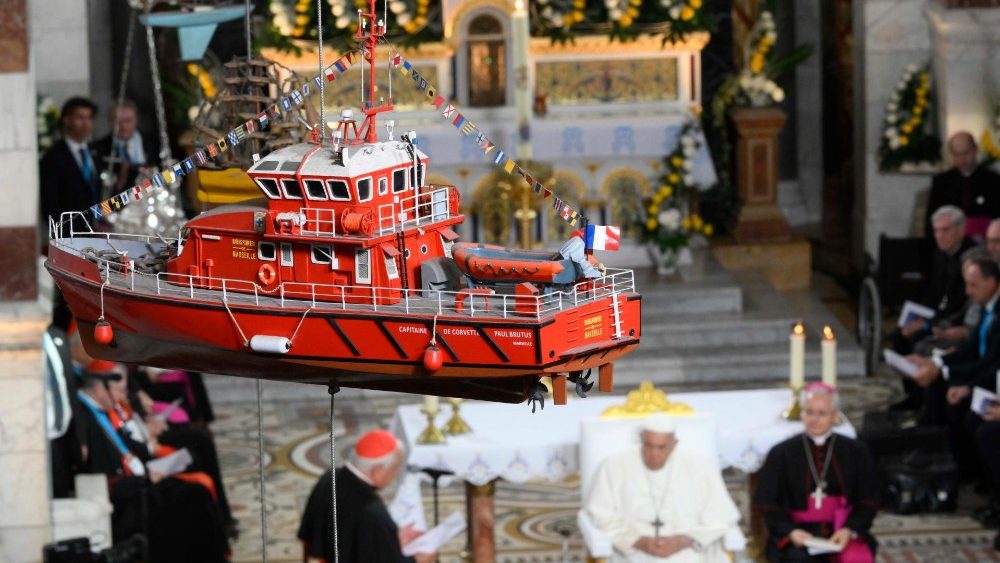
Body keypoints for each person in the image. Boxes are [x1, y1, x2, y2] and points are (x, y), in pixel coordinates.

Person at [74, 360, 229, 562]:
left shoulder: (99, 409)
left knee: (194, 480)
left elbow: (128, 443)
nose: (122, 398)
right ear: (102, 387)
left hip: (139, 480)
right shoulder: (85, 418)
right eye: (120, 391)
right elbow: (105, 479)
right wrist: (147, 479)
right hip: (130, 499)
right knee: (195, 495)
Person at [585, 415, 740, 562]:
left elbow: (722, 515)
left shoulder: (700, 467)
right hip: (633, 555)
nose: (653, 454)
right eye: (648, 445)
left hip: (690, 554)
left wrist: (685, 540)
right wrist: (639, 541)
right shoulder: (614, 466)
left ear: (674, 444)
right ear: (641, 440)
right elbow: (601, 512)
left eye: (661, 447)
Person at [753, 384, 879, 562]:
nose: (814, 419)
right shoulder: (781, 453)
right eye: (809, 412)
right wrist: (790, 531)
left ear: (834, 416)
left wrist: (849, 529)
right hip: (798, 530)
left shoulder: (855, 451)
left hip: (843, 528)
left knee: (855, 558)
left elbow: (868, 500)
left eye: (822, 413)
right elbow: (768, 503)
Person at [298, 429, 436, 563]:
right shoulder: (372, 512)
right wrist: (418, 561)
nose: (396, 474)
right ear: (377, 470)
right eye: (396, 467)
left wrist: (392, 538)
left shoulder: (330, 477)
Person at [910, 256, 1000, 427]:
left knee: (958, 401)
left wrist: (943, 371)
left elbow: (990, 362)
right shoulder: (987, 305)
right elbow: (972, 348)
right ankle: (930, 434)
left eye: (973, 285)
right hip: (982, 370)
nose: (967, 291)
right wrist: (935, 362)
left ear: (991, 282)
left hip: (990, 377)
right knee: (937, 381)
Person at [39, 96, 102, 232]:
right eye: (80, 118)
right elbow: (49, 206)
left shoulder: (97, 151)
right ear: (67, 120)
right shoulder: (53, 157)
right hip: (71, 236)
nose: (86, 124)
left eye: (89, 118)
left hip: (100, 233)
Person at [925, 131, 1000, 240]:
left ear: (975, 150)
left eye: (966, 153)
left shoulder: (993, 180)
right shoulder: (942, 182)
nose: (962, 159)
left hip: (984, 242)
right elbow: (931, 220)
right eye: (957, 154)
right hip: (948, 243)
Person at [93, 100, 160, 196]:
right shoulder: (98, 148)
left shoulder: (154, 142)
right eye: (118, 121)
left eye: (128, 120)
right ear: (110, 122)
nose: (123, 126)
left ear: (136, 120)